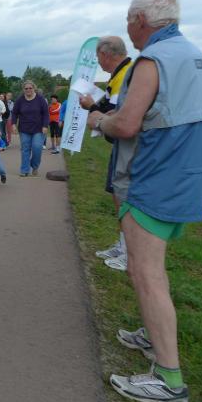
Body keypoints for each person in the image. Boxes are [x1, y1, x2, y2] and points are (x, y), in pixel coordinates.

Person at [90, 0, 202, 402]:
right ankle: (154, 336)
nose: (127, 28)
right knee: (153, 269)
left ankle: (169, 380)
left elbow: (127, 125)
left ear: (140, 20)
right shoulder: (194, 55)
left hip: (155, 176)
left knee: (145, 272)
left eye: (128, 20)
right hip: (188, 175)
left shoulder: (152, 60)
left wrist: (99, 119)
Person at [79, 36, 134, 270]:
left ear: (105, 54)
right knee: (116, 193)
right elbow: (110, 108)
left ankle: (130, 251)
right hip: (122, 145)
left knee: (124, 195)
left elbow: (116, 114)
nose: (98, 62)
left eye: (98, 57)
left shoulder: (126, 75)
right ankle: (123, 245)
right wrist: (96, 105)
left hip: (129, 146)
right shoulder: (118, 75)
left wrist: (91, 106)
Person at [12, 81, 49, 177]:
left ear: (34, 88)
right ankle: (24, 170)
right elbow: (14, 113)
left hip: (38, 129)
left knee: (37, 148)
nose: (28, 90)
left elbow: (46, 113)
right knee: (25, 149)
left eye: (30, 88)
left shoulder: (40, 99)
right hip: (24, 129)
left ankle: (34, 166)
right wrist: (13, 124)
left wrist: (45, 125)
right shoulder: (20, 100)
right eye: (26, 88)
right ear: (23, 89)